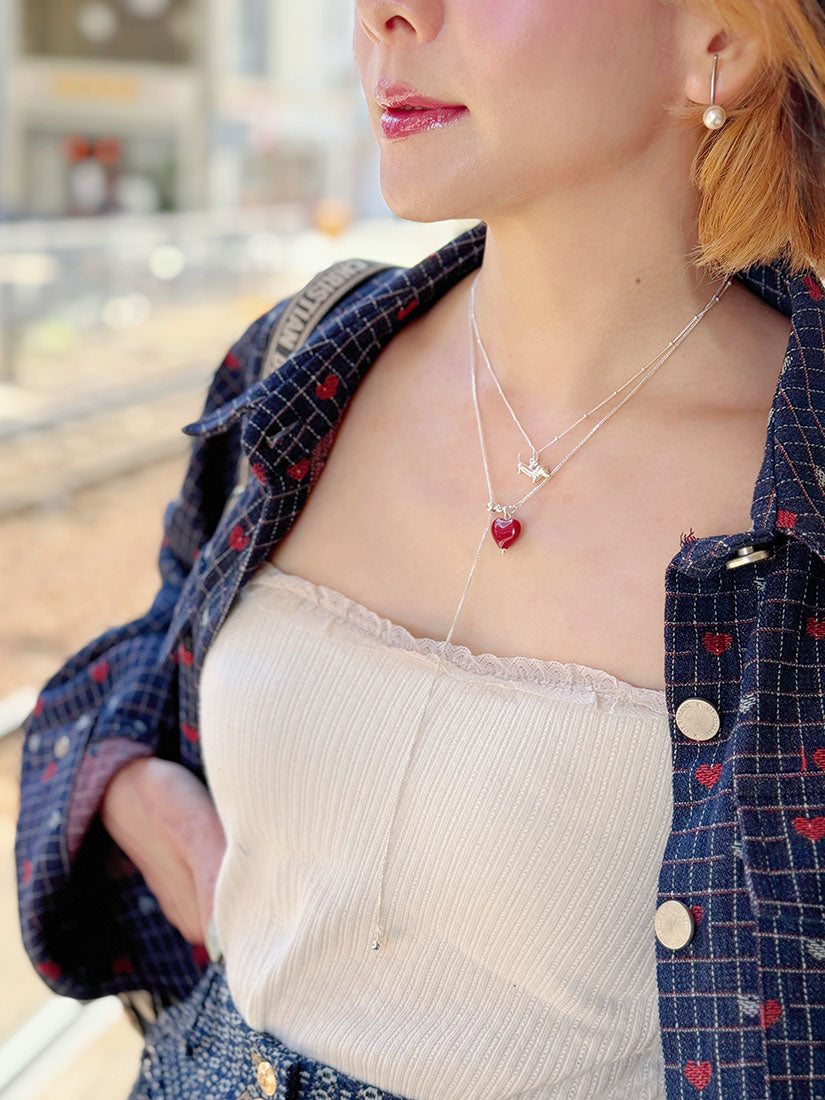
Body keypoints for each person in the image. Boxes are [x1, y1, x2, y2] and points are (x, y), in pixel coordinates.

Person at [15, 1, 825, 1097]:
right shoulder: (302, 363)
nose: (389, 11)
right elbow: (153, 647)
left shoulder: (802, 490)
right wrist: (126, 782)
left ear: (719, 41)